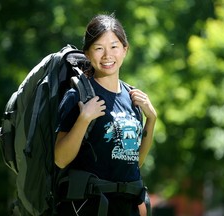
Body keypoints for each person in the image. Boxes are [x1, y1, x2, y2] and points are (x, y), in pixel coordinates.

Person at [54, 13, 157, 216]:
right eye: (99, 48)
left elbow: (135, 162)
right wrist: (84, 119)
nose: (107, 55)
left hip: (126, 208)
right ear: (87, 53)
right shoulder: (78, 96)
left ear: (125, 50)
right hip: (89, 207)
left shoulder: (132, 98)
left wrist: (151, 120)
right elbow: (60, 159)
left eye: (114, 47)